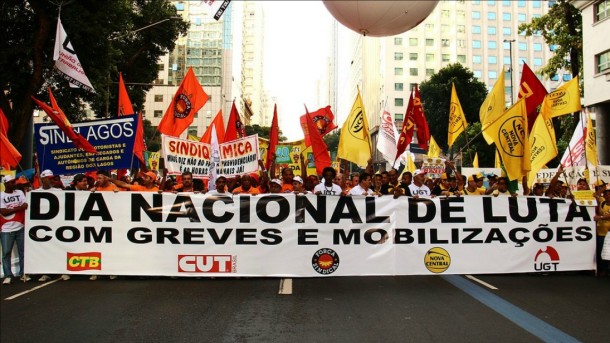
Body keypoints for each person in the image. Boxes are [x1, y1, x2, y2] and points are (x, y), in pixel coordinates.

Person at [1, 175, 28, 284]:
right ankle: (8, 275)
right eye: (12, 182)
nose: (14, 184)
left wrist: (12, 208)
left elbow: (25, 205)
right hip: (6, 229)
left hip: (20, 227)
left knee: (23, 251)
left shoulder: (20, 193)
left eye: (14, 182)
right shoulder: (1, 195)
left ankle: (23, 273)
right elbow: (4, 212)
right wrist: (19, 208)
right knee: (6, 252)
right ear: (6, 184)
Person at [593, 189, 610, 277]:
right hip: (601, 233)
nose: (607, 196)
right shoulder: (602, 203)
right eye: (606, 195)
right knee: (602, 253)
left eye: (609, 195)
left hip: (609, 234)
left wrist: (600, 217)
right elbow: (594, 194)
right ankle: (603, 270)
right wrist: (601, 190)